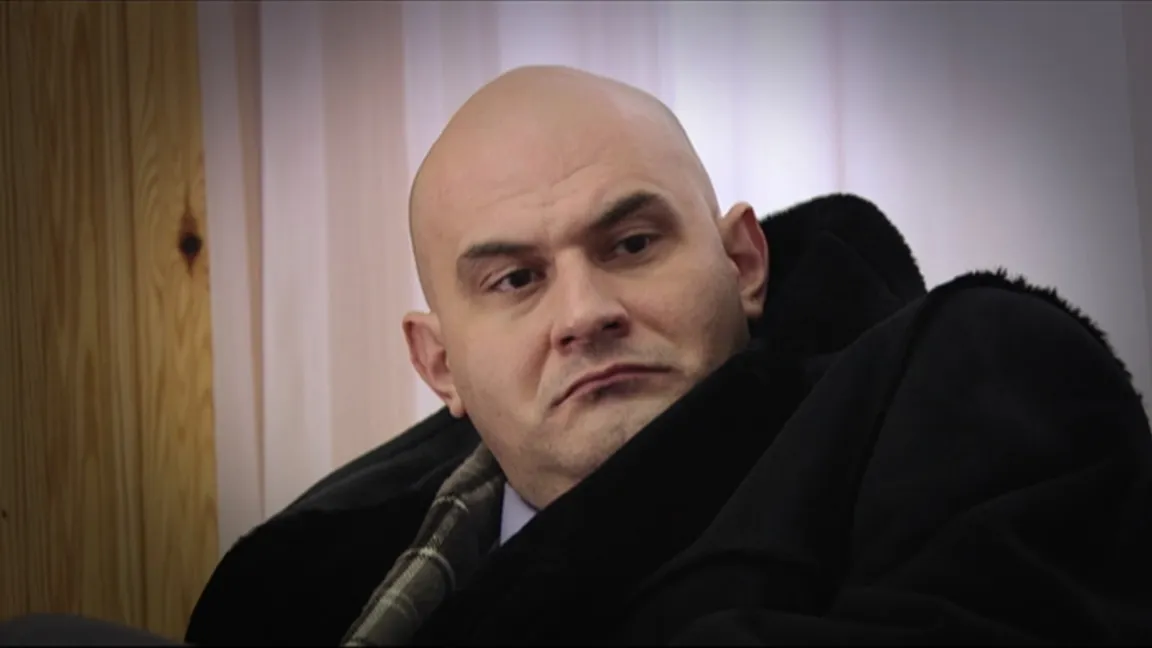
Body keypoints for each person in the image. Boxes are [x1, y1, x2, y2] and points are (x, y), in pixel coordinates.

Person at [5, 64, 1148, 645]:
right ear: (439, 367)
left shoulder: (975, 379)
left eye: (633, 243)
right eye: (514, 280)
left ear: (743, 260)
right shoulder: (297, 583)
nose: (584, 311)